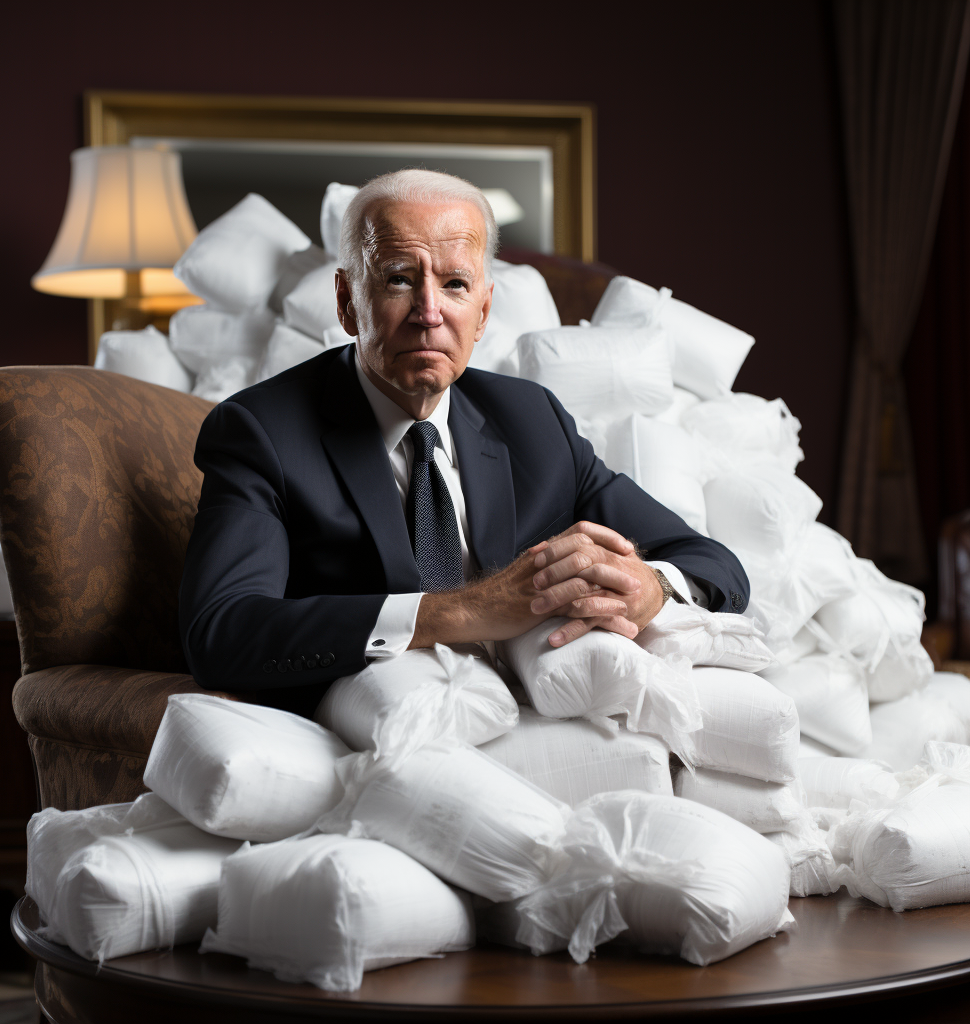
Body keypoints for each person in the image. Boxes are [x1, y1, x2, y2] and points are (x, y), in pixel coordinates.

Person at [179, 170, 749, 714]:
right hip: (387, 724)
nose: (429, 313)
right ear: (348, 302)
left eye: (455, 284)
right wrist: (466, 611)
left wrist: (652, 585)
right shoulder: (262, 432)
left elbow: (711, 562)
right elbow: (222, 631)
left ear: (483, 311)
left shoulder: (533, 420)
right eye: (400, 278)